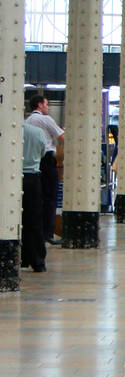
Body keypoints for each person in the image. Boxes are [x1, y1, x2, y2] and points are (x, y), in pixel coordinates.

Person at [26, 94, 63, 245]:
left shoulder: (28, 121)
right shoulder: (46, 119)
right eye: (47, 104)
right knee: (50, 198)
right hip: (48, 160)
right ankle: (48, 233)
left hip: (34, 162)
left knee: (38, 198)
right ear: (40, 105)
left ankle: (38, 233)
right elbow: (62, 137)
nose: (48, 107)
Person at [21, 115, 48, 271]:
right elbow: (42, 152)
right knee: (34, 220)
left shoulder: (8, 132)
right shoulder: (38, 132)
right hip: (33, 178)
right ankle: (37, 260)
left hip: (11, 178)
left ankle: (21, 258)